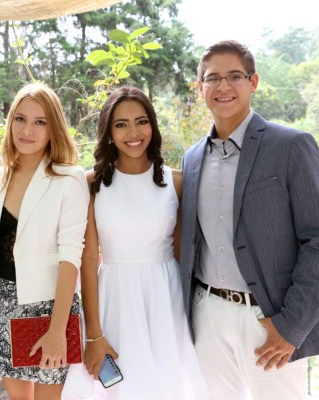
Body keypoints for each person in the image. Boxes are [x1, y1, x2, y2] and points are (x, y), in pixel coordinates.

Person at [179, 40, 319, 400]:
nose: (223, 87)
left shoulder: (291, 146)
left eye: (234, 76)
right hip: (207, 317)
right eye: (212, 78)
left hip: (269, 320)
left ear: (253, 82)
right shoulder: (191, 159)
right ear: (199, 87)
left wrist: (292, 326)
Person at [63, 86, 210, 400]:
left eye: (141, 121)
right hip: (112, 299)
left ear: (152, 126)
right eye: (121, 124)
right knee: (116, 387)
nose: (133, 132)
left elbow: (184, 253)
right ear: (109, 132)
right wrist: (94, 335)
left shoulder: (178, 182)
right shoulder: (91, 183)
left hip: (165, 301)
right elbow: (87, 261)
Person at [0, 82, 90, 400]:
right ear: (10, 121)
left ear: (53, 128)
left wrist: (57, 330)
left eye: (40, 122)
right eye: (20, 119)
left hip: (49, 308)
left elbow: (71, 257)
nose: (28, 130)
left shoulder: (69, 179)